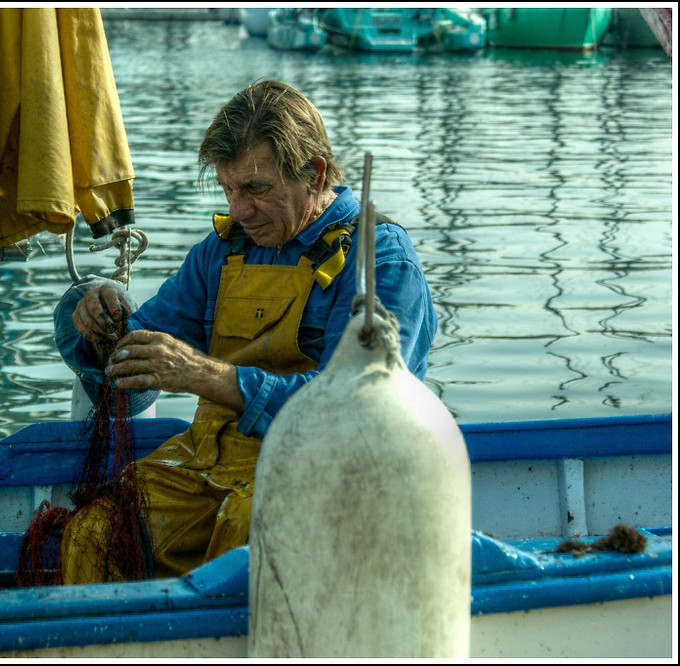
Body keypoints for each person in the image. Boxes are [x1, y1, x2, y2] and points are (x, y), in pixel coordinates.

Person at [53, 79, 438, 584]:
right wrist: (96, 326)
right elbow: (138, 352)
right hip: (207, 468)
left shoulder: (378, 259)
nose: (238, 211)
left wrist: (205, 376)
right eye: (230, 190)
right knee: (93, 536)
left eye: (255, 189)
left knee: (243, 541)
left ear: (314, 173)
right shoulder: (223, 250)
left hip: (328, 475)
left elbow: (351, 406)